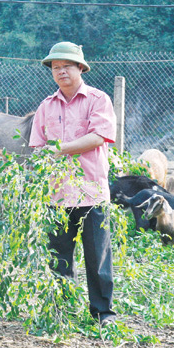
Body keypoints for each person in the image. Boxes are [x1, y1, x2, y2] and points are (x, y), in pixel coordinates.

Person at [29, 41, 117, 325]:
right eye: (56, 67)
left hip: (91, 192)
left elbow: (98, 137)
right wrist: (43, 156)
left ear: (80, 67)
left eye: (66, 65)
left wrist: (60, 149)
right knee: (59, 257)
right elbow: (37, 147)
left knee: (98, 258)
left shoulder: (97, 99)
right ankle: (63, 312)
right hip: (56, 195)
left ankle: (103, 313)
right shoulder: (45, 106)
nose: (61, 71)